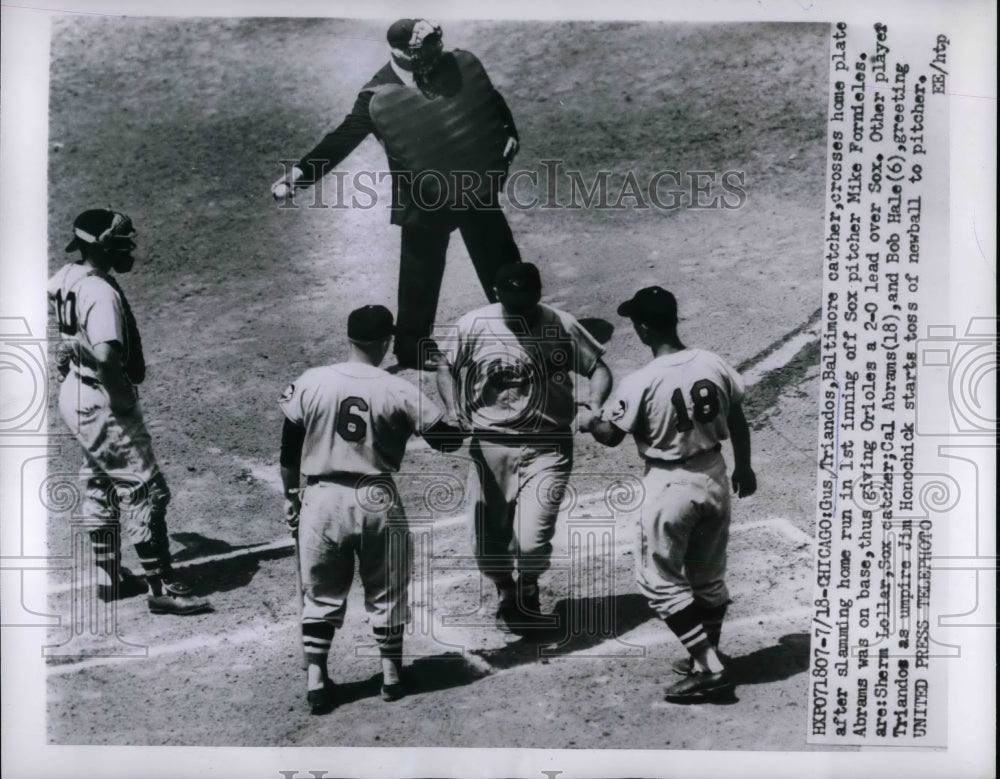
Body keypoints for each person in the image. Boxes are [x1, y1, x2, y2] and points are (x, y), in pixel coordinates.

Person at [272, 18, 523, 370]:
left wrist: (508, 129)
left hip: (470, 181)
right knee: (421, 274)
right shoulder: (378, 93)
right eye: (424, 49)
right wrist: (298, 176)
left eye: (436, 45)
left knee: (498, 251)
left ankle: (523, 323)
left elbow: (485, 97)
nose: (435, 54)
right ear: (398, 51)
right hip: (422, 193)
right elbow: (342, 139)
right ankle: (413, 348)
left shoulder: (451, 65)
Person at [278, 304, 465, 714]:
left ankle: (317, 681)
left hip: (322, 498)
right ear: (385, 342)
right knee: (387, 587)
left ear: (349, 338)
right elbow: (447, 441)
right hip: (376, 497)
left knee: (321, 592)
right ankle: (392, 674)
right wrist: (452, 404)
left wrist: (292, 496)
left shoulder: (311, 381)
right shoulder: (395, 387)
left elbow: (289, 448)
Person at [580, 286, 757, 703]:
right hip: (714, 474)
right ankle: (704, 659)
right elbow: (738, 416)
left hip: (669, 485)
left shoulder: (641, 381)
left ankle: (709, 668)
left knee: (658, 581)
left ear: (642, 328)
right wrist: (744, 466)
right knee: (707, 576)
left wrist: (589, 419)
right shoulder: (713, 362)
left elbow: (610, 436)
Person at [48, 209, 210, 615]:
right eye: (122, 240)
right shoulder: (100, 292)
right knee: (145, 489)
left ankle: (109, 576)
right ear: (102, 245)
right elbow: (106, 354)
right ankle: (162, 586)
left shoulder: (67, 275)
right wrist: (121, 401)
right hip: (103, 398)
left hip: (75, 394)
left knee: (100, 479)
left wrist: (69, 348)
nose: (130, 246)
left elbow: (64, 326)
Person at [436, 263, 613, 635]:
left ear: (538, 294)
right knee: (487, 543)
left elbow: (597, 367)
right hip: (491, 444)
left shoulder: (559, 324)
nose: (521, 312)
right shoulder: (473, 325)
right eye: (513, 305)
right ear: (497, 294)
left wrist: (595, 404)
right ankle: (506, 591)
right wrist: (452, 410)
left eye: (528, 303)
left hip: (547, 445)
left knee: (531, 542)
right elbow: (446, 368)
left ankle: (528, 587)